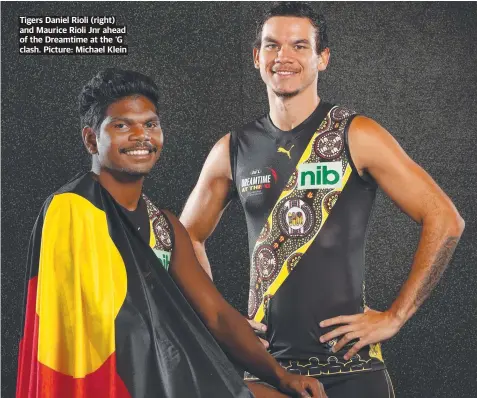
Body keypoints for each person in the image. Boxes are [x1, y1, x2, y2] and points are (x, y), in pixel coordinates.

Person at [180, 2, 465, 397]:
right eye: (272, 45)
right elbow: (184, 237)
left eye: (299, 46)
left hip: (352, 367)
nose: (284, 57)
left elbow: (445, 218)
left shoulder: (357, 134)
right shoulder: (232, 149)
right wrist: (221, 320)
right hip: (266, 369)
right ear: (256, 57)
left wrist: (396, 316)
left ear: (322, 58)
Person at [16, 68, 328, 398]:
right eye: (122, 125)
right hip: (112, 381)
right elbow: (100, 327)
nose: (141, 135)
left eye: (150, 124)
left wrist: (281, 376)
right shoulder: (72, 209)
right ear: (92, 138)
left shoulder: (163, 226)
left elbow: (217, 315)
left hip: (168, 374)